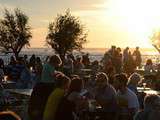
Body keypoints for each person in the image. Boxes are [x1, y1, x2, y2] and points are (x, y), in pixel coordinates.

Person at [28, 55, 62, 120]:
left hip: (43, 83)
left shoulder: (46, 65)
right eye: (56, 64)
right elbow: (53, 75)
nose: (56, 66)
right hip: (49, 84)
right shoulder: (50, 66)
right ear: (54, 62)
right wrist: (59, 74)